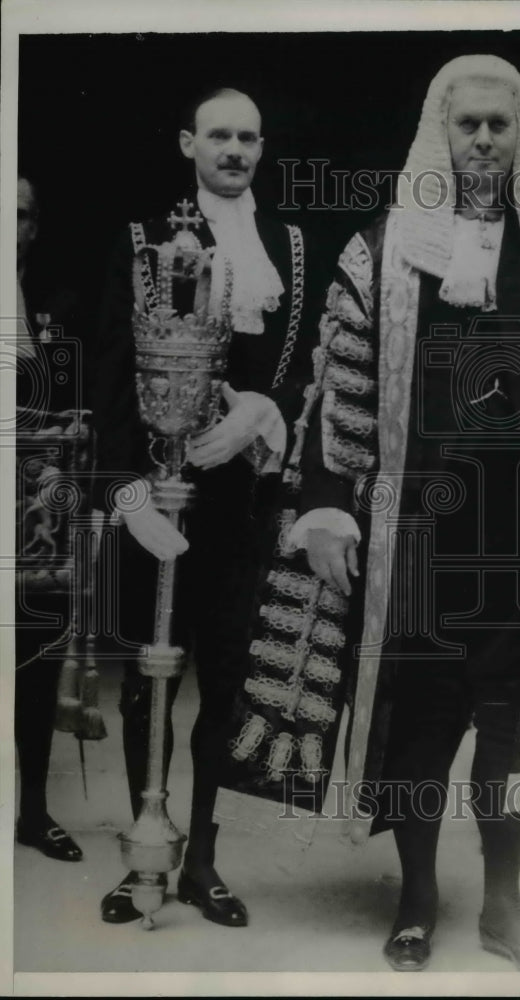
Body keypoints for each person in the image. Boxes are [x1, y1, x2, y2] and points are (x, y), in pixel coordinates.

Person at [223, 55, 520, 971]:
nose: (484, 140)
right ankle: (417, 898)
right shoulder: (381, 253)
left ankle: (502, 907)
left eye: (499, 125)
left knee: (514, 726)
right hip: (417, 534)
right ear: (439, 135)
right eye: (468, 126)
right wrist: (329, 512)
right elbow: (340, 395)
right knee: (418, 724)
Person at [92, 87, 319, 927]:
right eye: (218, 135)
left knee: (226, 680)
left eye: (248, 137)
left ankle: (204, 862)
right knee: (149, 681)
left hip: (244, 497)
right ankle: (144, 849)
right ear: (189, 142)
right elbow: (114, 375)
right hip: (156, 496)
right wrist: (131, 492)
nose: (234, 149)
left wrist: (264, 415)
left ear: (262, 148)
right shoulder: (145, 241)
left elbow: (306, 367)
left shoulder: (292, 246)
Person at [15, 175, 87, 863]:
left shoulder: (60, 309)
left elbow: (79, 405)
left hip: (35, 515)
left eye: (20, 215)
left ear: (35, 228)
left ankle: (33, 811)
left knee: (33, 661)